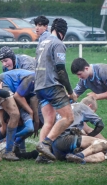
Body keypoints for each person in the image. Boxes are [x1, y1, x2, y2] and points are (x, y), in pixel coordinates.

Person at [34, 18, 77, 161]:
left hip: (39, 86)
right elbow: (61, 70)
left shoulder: (42, 42)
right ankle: (46, 143)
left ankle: (41, 155)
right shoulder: (58, 43)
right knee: (68, 118)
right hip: (51, 86)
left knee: (49, 121)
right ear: (62, 32)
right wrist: (70, 92)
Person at [51, 96, 107, 164]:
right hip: (67, 139)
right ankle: (80, 155)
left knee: (101, 156)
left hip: (56, 147)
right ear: (89, 106)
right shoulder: (83, 107)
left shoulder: (68, 108)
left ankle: (74, 158)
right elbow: (100, 125)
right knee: (103, 143)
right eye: (93, 112)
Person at [0, 69, 39, 161]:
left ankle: (12, 147)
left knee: (14, 121)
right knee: (11, 119)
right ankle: (6, 150)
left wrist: (36, 119)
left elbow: (33, 98)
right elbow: (18, 96)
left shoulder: (24, 109)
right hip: (2, 84)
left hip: (14, 93)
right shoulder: (33, 78)